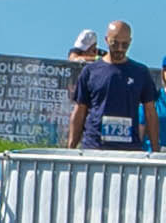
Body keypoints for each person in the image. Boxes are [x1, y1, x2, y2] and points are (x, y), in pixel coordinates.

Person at [65, 19, 157, 151]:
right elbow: (80, 110)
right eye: (115, 44)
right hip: (94, 147)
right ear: (106, 40)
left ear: (130, 42)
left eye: (124, 45)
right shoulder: (90, 71)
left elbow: (150, 112)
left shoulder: (140, 72)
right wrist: (71, 150)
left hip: (129, 150)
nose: (120, 49)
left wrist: (155, 149)